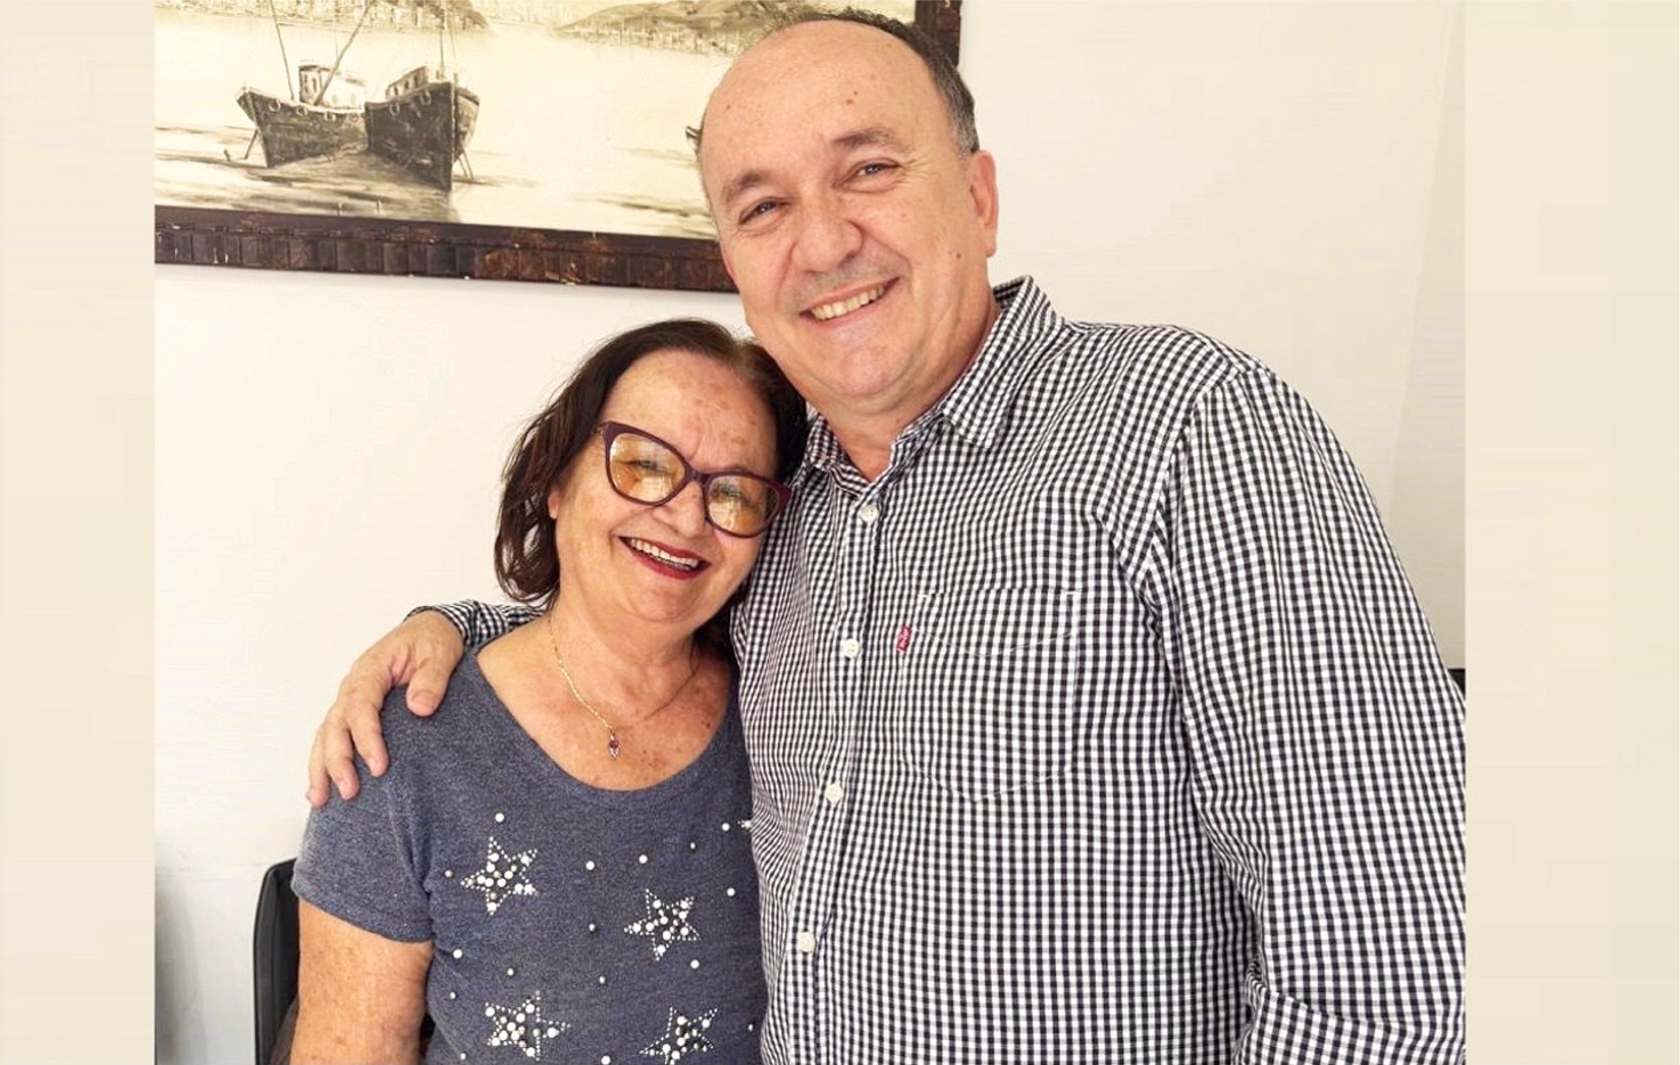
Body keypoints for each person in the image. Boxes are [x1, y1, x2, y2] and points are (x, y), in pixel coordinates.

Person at [309, 10, 1466, 1064]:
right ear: (734, 265)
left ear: (980, 197)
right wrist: (446, 631)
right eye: (763, 207)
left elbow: (1398, 975)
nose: (822, 243)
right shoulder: (778, 502)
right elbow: (633, 611)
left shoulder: (1189, 435)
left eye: (866, 168)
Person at [290, 318, 807, 1064]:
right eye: (644, 463)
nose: (687, 516)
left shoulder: (792, 714)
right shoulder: (403, 745)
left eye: (734, 492)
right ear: (557, 479)